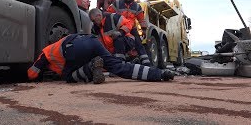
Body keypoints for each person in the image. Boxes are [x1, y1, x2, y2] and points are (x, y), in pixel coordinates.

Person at [27, 34, 174, 84]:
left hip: (73, 48)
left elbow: (32, 74)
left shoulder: (45, 52)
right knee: (118, 66)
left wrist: (31, 72)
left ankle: (91, 67)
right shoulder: (58, 43)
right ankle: (159, 74)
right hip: (92, 41)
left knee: (67, 77)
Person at [106, 0, 149, 65]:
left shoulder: (137, 6)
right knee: (119, 41)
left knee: (138, 42)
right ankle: (119, 63)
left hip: (132, 28)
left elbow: (141, 19)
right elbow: (109, 13)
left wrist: (144, 30)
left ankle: (146, 63)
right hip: (120, 26)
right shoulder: (118, 2)